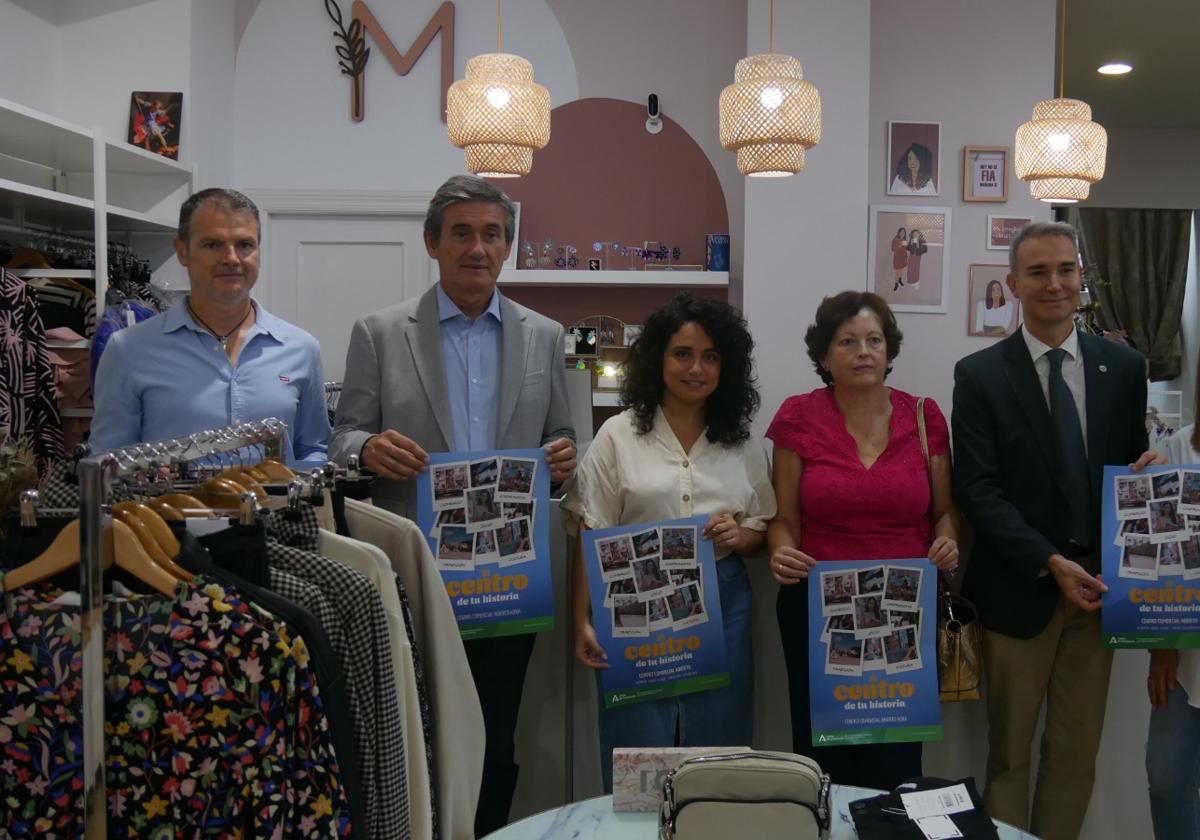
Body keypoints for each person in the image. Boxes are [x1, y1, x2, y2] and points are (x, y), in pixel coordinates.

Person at [328, 174, 575, 836]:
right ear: (432, 242)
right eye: (462, 233)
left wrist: (562, 460)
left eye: (491, 234)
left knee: (496, 735)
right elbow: (342, 437)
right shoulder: (381, 333)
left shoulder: (544, 335)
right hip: (413, 570)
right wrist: (367, 448)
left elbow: (563, 436)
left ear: (508, 246)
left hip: (508, 576)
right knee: (413, 731)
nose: (477, 248)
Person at [952, 221, 1162, 840]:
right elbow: (978, 490)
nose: (1054, 284)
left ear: (1081, 278)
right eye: (1038, 272)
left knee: (1075, 754)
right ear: (1014, 284)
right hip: (1020, 591)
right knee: (1009, 756)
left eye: (1066, 270)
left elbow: (1127, 471)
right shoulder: (980, 374)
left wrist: (1152, 470)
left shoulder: (1125, 367)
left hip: (1099, 594)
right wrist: (1048, 561)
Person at [565, 293, 776, 791]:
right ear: (658, 359)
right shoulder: (617, 435)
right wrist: (581, 619)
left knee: (718, 747)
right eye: (682, 354)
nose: (696, 368)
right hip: (632, 601)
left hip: (722, 597)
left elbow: (763, 527)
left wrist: (741, 535)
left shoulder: (741, 442)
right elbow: (591, 528)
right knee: (636, 748)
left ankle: (710, 823)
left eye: (710, 356)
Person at [766, 290, 959, 790]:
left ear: (889, 351)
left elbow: (944, 512)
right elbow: (784, 518)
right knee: (823, 753)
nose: (863, 352)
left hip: (905, 608)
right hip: (818, 611)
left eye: (874, 340)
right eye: (847, 341)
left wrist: (947, 541)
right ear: (824, 356)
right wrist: (779, 550)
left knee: (897, 755)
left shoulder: (924, 416)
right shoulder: (797, 416)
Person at [91, 188, 329, 467]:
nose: (231, 258)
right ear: (182, 251)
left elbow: (314, 449)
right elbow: (106, 461)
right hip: (170, 498)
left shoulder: (301, 349)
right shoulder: (128, 350)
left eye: (245, 245)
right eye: (213, 245)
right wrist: (140, 474)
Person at [891, 227, 909, 291]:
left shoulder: (904, 240)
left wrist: (907, 245)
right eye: (901, 232)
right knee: (897, 272)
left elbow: (906, 248)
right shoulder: (896, 239)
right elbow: (893, 249)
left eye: (904, 232)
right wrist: (899, 246)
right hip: (897, 258)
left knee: (901, 270)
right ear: (899, 232)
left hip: (903, 258)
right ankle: (896, 284)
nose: (902, 233)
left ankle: (899, 280)